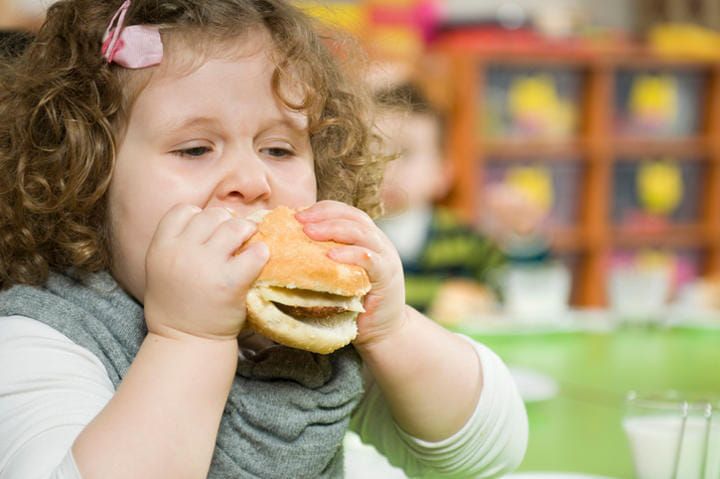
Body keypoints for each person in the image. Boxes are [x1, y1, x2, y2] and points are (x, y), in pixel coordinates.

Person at [0, 1, 527, 478]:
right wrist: (190, 339)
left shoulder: (303, 325)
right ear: (86, 180)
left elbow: (485, 454)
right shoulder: (42, 337)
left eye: (278, 149)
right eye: (195, 149)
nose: (252, 181)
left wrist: (391, 331)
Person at [374, 81, 550, 317]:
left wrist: (523, 238)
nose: (386, 169)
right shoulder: (351, 233)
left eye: (405, 153)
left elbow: (515, 293)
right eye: (372, 152)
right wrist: (439, 295)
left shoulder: (465, 240)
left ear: (443, 173)